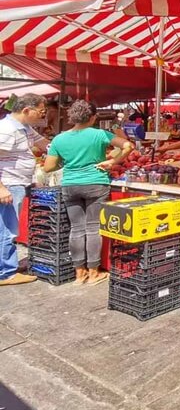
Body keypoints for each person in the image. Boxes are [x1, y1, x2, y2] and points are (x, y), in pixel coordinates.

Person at [43, 100, 134, 285]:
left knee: (76, 228)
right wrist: (111, 162)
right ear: (93, 117)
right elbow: (128, 146)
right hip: (96, 184)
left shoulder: (59, 138)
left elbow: (48, 167)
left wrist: (67, 162)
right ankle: (94, 273)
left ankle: (79, 274)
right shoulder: (99, 134)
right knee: (93, 228)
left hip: (70, 185)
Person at [0, 94, 50, 286]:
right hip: (9, 184)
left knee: (9, 227)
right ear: (26, 110)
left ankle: (7, 266)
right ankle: (6, 273)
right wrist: (1, 188)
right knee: (8, 229)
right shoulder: (6, 129)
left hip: (21, 182)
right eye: (41, 111)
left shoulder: (25, 128)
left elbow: (45, 144)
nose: (42, 115)